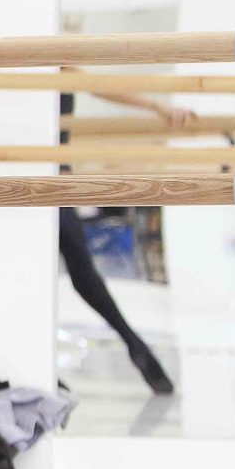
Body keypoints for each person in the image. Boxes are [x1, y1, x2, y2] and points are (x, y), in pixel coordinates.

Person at [60, 81, 191, 395]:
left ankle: (135, 345)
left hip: (55, 179)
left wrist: (157, 107)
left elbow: (105, 87)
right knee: (79, 274)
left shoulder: (62, 66)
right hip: (41, 176)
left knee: (83, 274)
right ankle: (135, 345)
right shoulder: (43, 64)